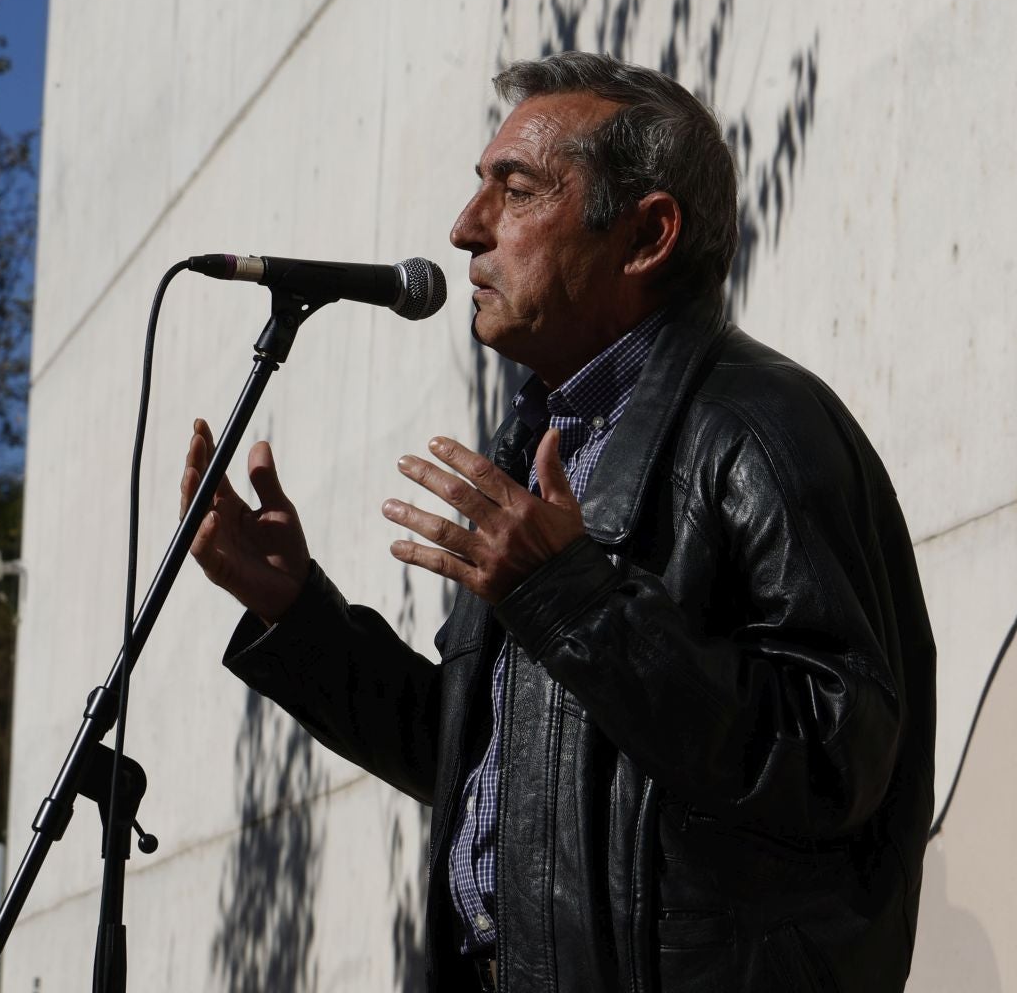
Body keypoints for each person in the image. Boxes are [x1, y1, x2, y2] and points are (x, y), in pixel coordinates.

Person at [179, 52, 935, 992]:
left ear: (648, 234)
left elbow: (835, 755)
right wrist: (296, 615)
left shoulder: (762, 429)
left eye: (518, 189)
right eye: (478, 190)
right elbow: (484, 763)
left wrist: (572, 601)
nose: (464, 230)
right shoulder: (536, 449)